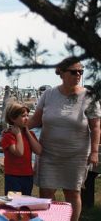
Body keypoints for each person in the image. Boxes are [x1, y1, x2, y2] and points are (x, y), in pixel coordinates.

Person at [29, 57, 101, 221]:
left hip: (76, 155)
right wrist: (18, 128)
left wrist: (95, 151)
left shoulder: (89, 97)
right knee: (46, 192)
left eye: (80, 72)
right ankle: (49, 219)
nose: (78, 75)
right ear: (61, 73)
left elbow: (96, 127)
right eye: (74, 71)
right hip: (48, 152)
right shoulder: (48, 94)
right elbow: (35, 120)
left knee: (73, 192)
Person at [1, 102, 42, 196]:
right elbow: (19, 152)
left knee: (25, 203)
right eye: (23, 116)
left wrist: (27, 131)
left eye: (28, 115)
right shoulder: (9, 136)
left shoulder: (30, 134)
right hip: (13, 176)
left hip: (27, 175)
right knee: (14, 204)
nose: (27, 118)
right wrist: (18, 134)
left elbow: (39, 151)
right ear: (13, 118)